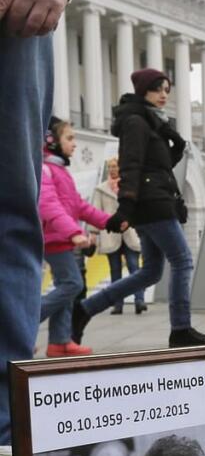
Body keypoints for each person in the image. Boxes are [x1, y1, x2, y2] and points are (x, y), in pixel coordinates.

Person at [0, 0, 110, 456]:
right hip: (65, 235)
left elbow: (42, 208)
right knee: (65, 282)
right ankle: (63, 335)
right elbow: (54, 204)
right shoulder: (58, 170)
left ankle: (1, 423)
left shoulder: (56, 169)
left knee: (7, 223)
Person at [74, 68, 205, 348]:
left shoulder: (151, 121)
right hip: (152, 203)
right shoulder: (136, 121)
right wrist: (125, 207)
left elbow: (156, 165)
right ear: (143, 90)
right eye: (158, 89)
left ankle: (84, 310)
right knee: (182, 260)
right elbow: (132, 164)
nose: (164, 95)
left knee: (150, 271)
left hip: (156, 199)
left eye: (166, 90)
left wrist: (173, 143)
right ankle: (181, 328)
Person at [38, 116, 115, 356]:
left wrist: (109, 221)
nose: (74, 143)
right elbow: (48, 206)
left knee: (67, 286)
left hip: (61, 238)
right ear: (51, 141)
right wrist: (73, 233)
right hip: (54, 239)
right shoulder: (46, 170)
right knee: (73, 283)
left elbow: (79, 206)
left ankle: (59, 342)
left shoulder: (60, 170)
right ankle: (22, 325)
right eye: (69, 138)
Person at [92, 156, 146, 315]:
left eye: (115, 166)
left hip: (130, 233)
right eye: (110, 167)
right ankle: (118, 304)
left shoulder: (130, 187)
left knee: (135, 269)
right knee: (115, 272)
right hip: (111, 234)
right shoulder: (101, 189)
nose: (112, 169)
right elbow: (95, 212)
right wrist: (93, 233)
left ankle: (139, 300)